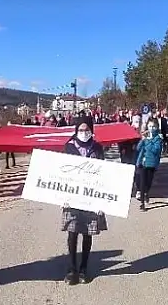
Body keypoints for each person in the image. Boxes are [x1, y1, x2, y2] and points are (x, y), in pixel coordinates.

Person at [61, 117, 107, 285]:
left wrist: (104, 201)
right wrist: (62, 196)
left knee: (88, 233)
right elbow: (61, 172)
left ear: (91, 130)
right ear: (75, 130)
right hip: (72, 197)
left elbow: (105, 172)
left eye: (87, 129)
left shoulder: (97, 148)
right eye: (81, 129)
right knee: (72, 234)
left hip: (91, 198)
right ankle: (72, 269)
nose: (84, 132)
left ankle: (84, 268)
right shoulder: (69, 147)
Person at [135, 120, 163, 210]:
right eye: (150, 126)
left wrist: (148, 141)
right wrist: (142, 140)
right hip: (142, 163)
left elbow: (155, 150)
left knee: (148, 182)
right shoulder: (145, 138)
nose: (151, 128)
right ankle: (142, 202)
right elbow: (138, 148)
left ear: (156, 128)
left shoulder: (158, 139)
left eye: (153, 127)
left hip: (151, 163)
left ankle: (147, 192)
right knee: (142, 182)